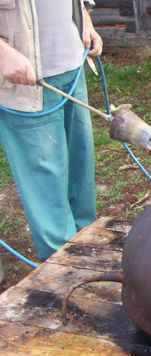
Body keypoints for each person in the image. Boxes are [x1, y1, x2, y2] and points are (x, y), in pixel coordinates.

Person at [0, 0, 102, 262]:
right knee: (48, 196)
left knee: (80, 175)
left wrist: (84, 20)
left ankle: (89, 256)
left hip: (72, 68)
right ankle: (65, 278)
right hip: (24, 81)